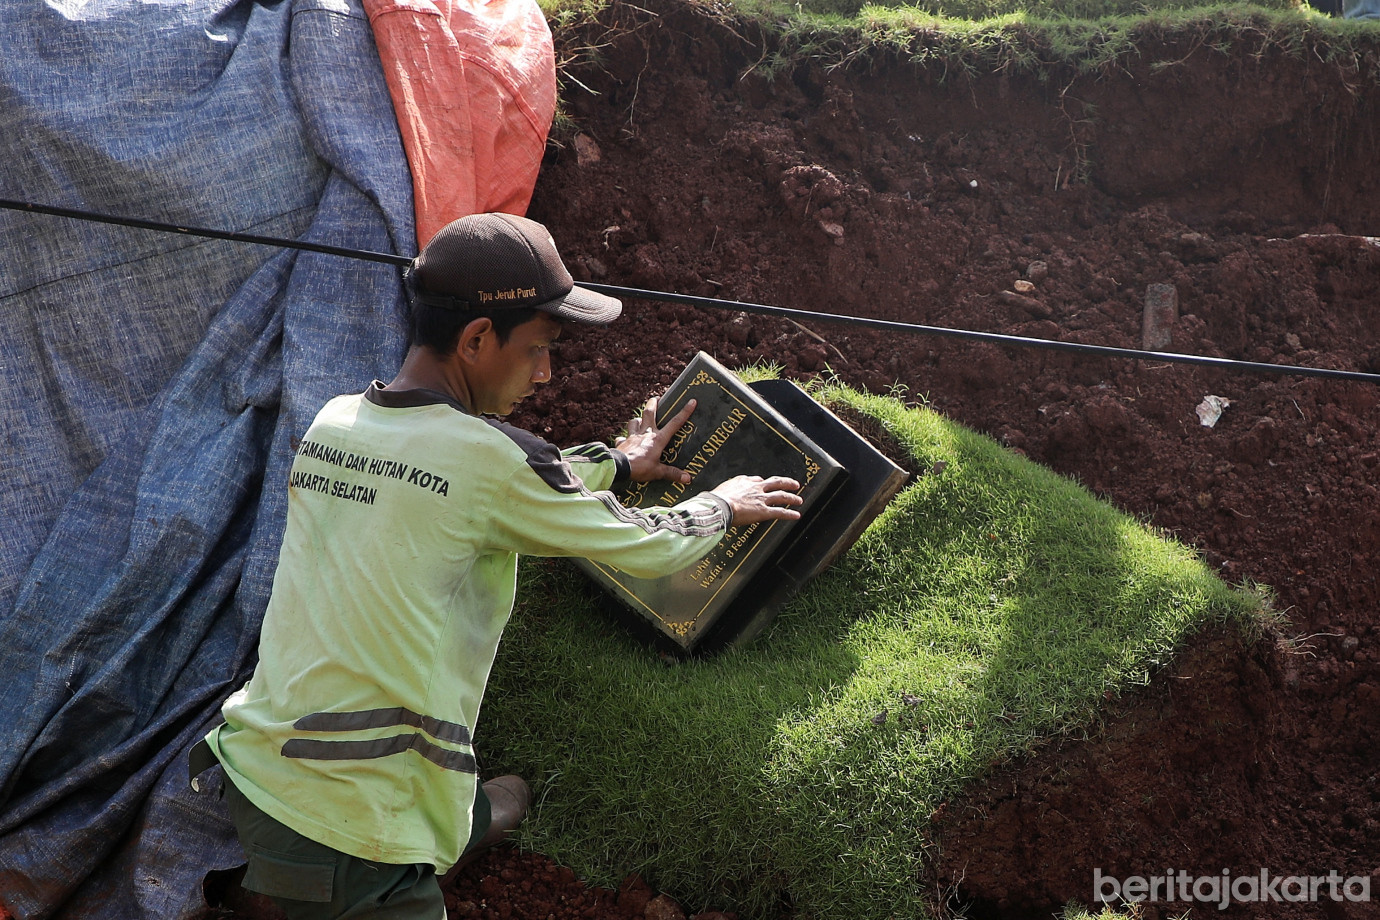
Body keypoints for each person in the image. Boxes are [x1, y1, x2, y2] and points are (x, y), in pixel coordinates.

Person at [195, 212, 803, 919]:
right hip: (350, 823)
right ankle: (343, 877)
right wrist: (724, 504)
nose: (546, 374)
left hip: (259, 755)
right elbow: (646, 543)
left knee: (449, 808)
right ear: (478, 338)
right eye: (538, 349)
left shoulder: (336, 421)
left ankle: (459, 821)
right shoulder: (490, 460)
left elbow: (469, 486)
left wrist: (615, 462)